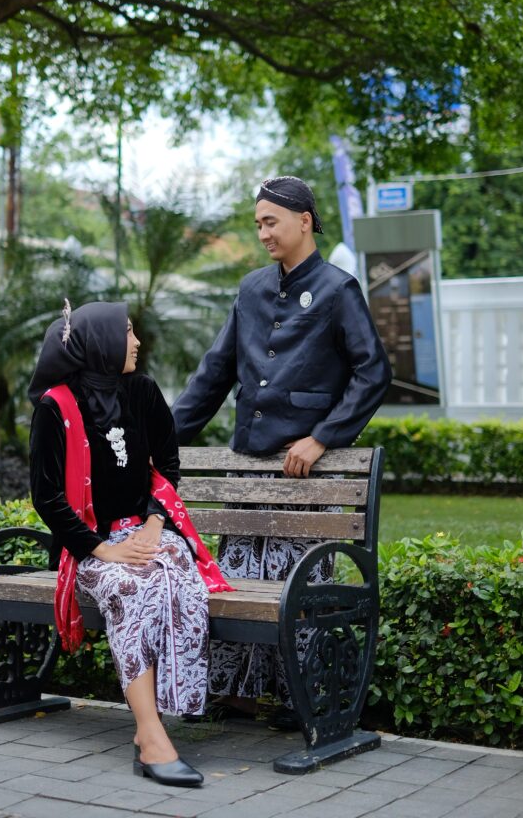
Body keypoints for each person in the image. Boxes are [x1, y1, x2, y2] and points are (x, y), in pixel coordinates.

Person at [172, 175, 391, 727]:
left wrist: (324, 436)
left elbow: (373, 372)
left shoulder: (339, 289)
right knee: (238, 575)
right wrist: (161, 439)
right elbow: (213, 375)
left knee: (298, 587)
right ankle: (237, 693)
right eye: (258, 224)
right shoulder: (250, 290)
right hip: (248, 467)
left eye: (271, 221)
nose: (263, 233)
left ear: (304, 220)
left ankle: (302, 698)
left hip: (303, 473)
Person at [29, 300, 232, 788]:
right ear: (101, 342)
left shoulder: (142, 392)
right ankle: (151, 735)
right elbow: (47, 497)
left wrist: (156, 525)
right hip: (91, 544)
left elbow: (167, 464)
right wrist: (103, 550)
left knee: (178, 580)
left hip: (147, 531)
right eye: (126, 332)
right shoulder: (56, 407)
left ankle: (165, 715)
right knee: (130, 588)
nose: (136, 342)